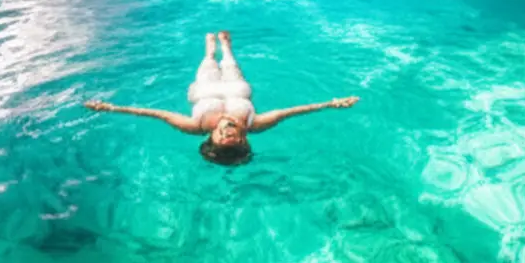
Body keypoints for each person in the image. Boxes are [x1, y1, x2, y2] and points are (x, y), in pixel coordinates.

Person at [84, 31, 360, 165]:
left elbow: (156, 114)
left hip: (204, 88)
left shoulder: (194, 126)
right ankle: (226, 48)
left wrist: (111, 107)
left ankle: (209, 50)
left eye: (221, 135)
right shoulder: (255, 124)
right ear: (243, 139)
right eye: (233, 136)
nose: (227, 130)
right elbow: (291, 112)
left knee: (208, 63)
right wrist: (330, 104)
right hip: (236, 88)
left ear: (211, 137)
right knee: (230, 65)